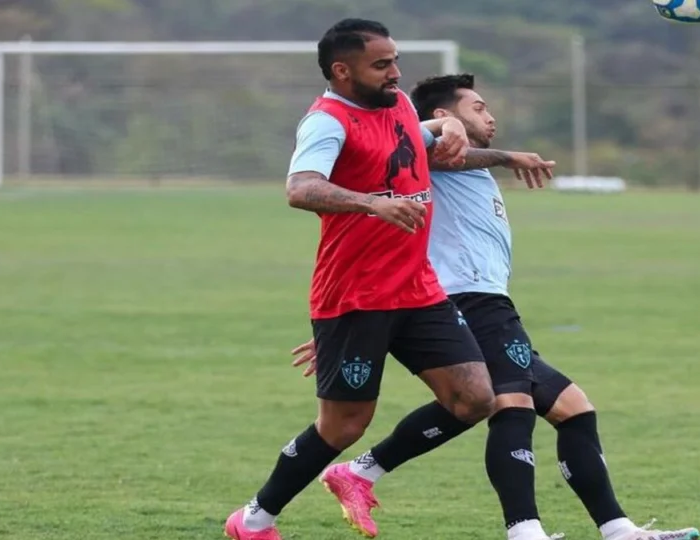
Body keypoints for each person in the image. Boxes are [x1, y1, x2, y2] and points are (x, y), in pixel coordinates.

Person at [292, 74, 700, 540]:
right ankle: (524, 532)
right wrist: (503, 155)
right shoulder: (427, 151)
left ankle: (619, 530)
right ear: (444, 119)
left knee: (574, 410)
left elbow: (457, 160)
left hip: (479, 301)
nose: (491, 116)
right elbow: (422, 152)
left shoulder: (465, 165)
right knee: (511, 404)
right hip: (466, 299)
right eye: (479, 107)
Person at [224, 20, 559, 540]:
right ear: (342, 70)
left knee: (475, 398)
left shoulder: (397, 103)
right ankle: (253, 519)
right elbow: (300, 187)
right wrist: (371, 203)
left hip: (419, 290)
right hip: (356, 294)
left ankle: (363, 473)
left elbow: (424, 137)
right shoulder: (327, 121)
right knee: (342, 426)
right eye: (381, 65)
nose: (395, 72)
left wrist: (447, 128)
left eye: (395, 60)